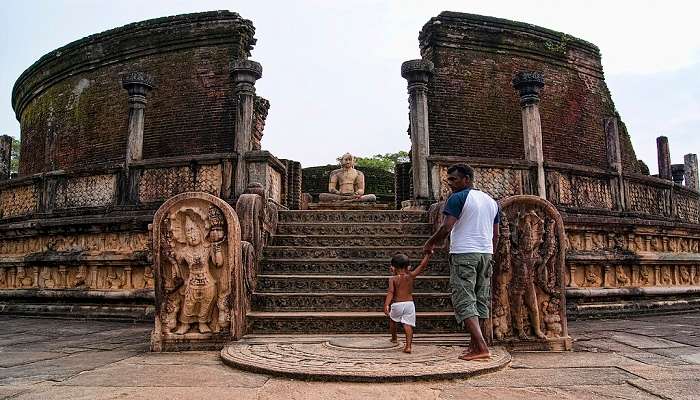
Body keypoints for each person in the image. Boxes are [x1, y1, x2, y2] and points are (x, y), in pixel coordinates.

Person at [423, 164, 499, 361]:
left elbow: (447, 227)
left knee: (464, 300)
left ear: (467, 179)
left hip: (464, 253)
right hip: (485, 254)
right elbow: (496, 234)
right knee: (480, 299)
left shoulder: (457, 198)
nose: (450, 184)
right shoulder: (491, 201)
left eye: (454, 179)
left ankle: (481, 347)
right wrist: (491, 252)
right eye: (449, 180)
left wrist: (430, 242)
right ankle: (475, 345)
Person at [384, 252, 432, 353]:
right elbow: (422, 266)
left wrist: (386, 305)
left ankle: (394, 338)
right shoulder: (411, 276)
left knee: (393, 320)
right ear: (408, 267)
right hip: (409, 304)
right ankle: (408, 346)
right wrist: (428, 255)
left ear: (393, 267)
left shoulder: (393, 279)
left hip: (397, 304)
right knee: (407, 325)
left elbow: (391, 292)